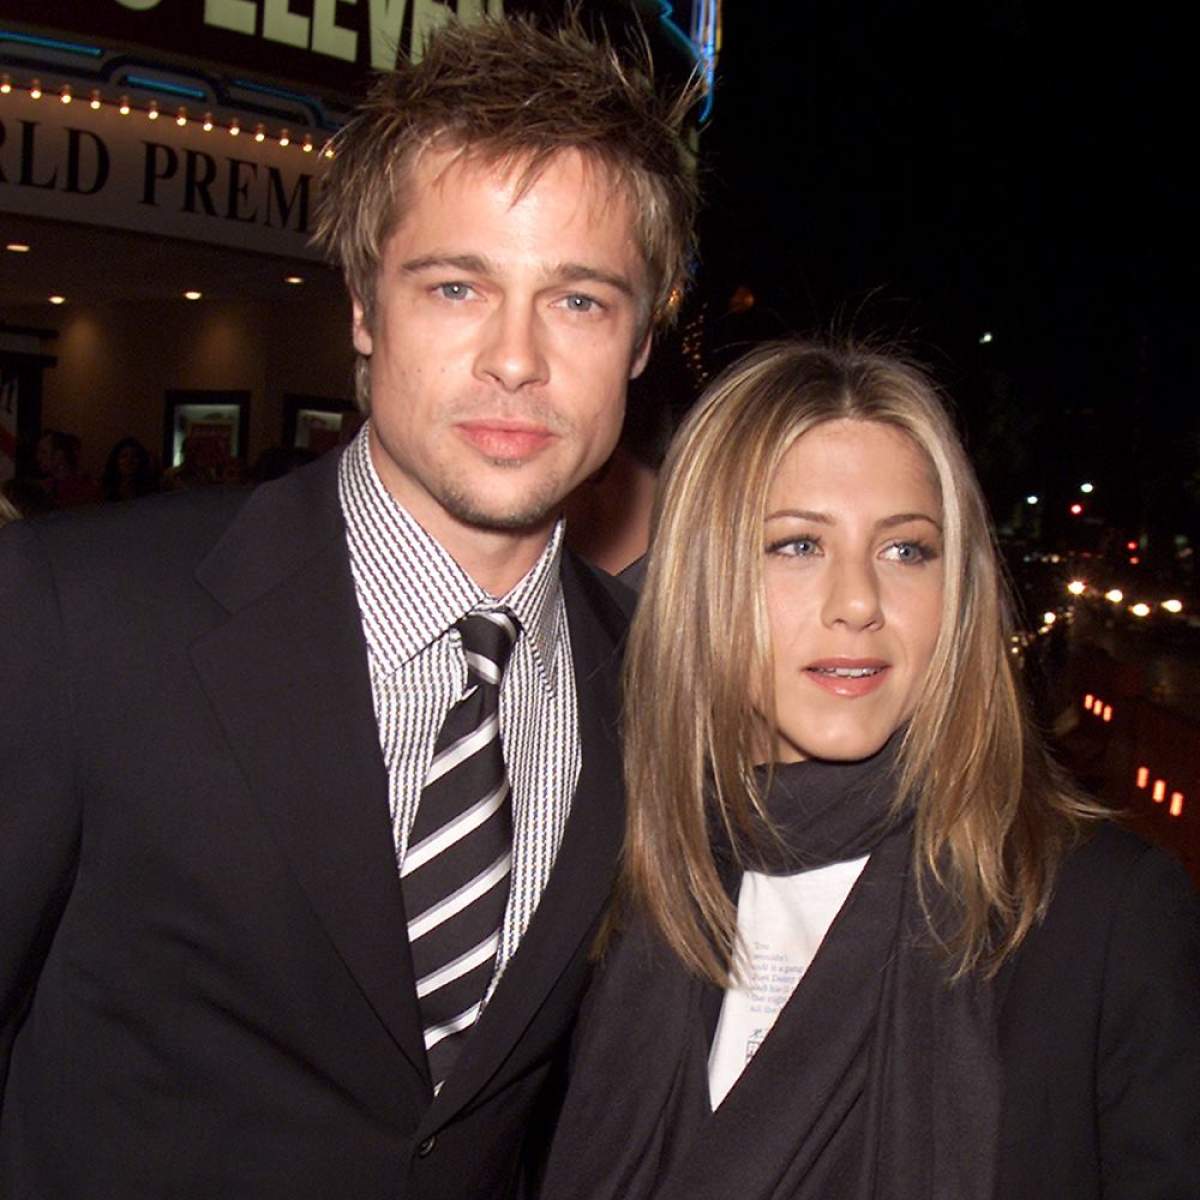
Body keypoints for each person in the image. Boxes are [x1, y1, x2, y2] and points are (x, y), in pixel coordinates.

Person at [0, 16, 698, 1198]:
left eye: (579, 300)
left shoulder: (659, 688)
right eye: (456, 286)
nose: (516, 358)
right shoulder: (81, 615)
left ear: (641, 337)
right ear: (365, 309)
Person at [539, 341, 1200, 1200]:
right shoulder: (611, 876)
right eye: (796, 544)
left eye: (906, 551)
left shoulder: (1105, 916)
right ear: (702, 580)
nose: (857, 602)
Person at [101, 435, 159, 501]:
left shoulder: (150, 488)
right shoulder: (104, 488)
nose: (129, 461)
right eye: (124, 456)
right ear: (115, 460)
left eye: (134, 456)